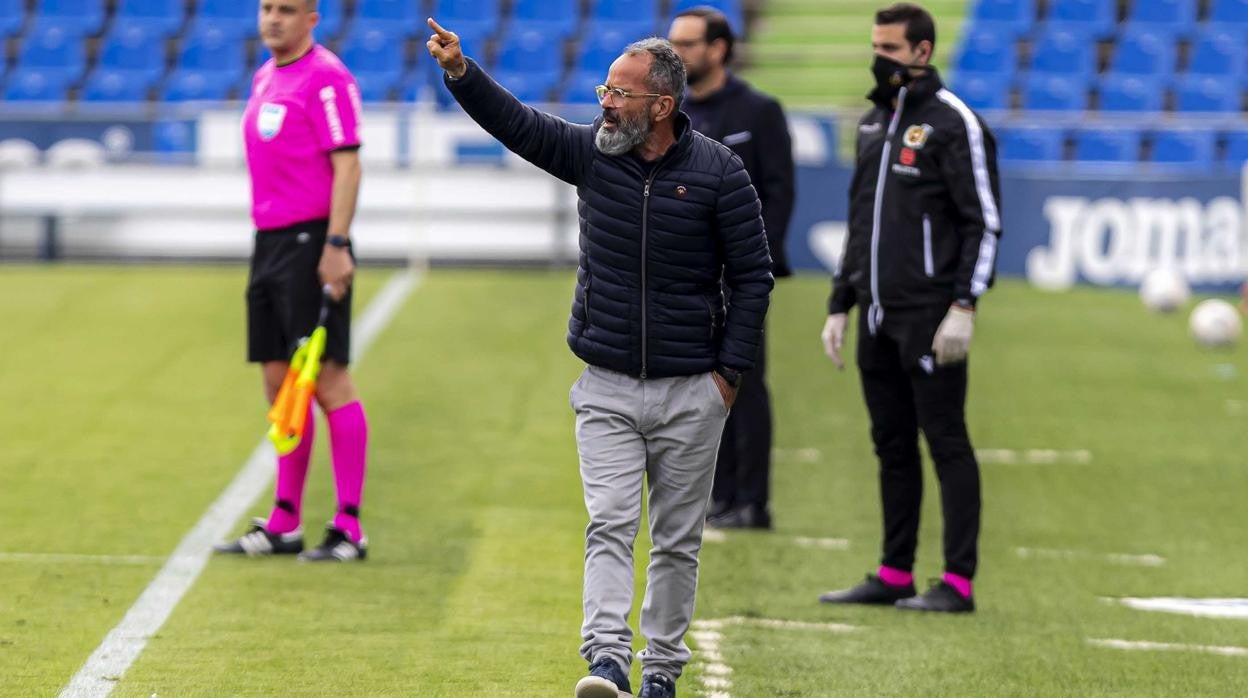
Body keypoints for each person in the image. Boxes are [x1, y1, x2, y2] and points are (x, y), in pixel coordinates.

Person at [427, 19, 773, 698]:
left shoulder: (719, 173)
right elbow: (520, 126)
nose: (605, 104)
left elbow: (754, 275)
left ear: (662, 107)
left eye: (619, 93)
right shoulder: (594, 153)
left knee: (676, 542)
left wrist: (726, 378)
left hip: (692, 393)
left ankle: (663, 673)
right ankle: (608, 660)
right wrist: (463, 74)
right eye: (604, 89)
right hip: (606, 386)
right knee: (610, 524)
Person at [817, 2, 1001, 613]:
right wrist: (840, 302)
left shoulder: (955, 123)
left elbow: (984, 222)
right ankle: (894, 571)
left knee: (945, 440)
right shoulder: (873, 121)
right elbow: (859, 219)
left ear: (922, 51)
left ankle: (958, 581)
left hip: (930, 314)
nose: (880, 58)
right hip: (874, 312)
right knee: (890, 443)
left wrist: (964, 305)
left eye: (890, 49)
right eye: (876, 46)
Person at [214, 0, 370, 563]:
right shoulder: (266, 74)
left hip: (312, 244)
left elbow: (348, 163)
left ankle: (349, 526)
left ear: (312, 18)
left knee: (326, 381)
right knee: (279, 383)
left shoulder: (326, 77)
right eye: (266, 8)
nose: (273, 18)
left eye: (287, 9)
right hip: (269, 244)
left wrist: (336, 244)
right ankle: (284, 521)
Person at [669, 6, 795, 530]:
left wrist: (752, 264)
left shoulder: (759, 110)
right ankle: (717, 498)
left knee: (744, 381)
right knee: (697, 390)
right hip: (688, 277)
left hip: (739, 277)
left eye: (686, 44)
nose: (674, 54)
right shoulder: (674, 113)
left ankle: (753, 501)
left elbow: (780, 192)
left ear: (718, 49)